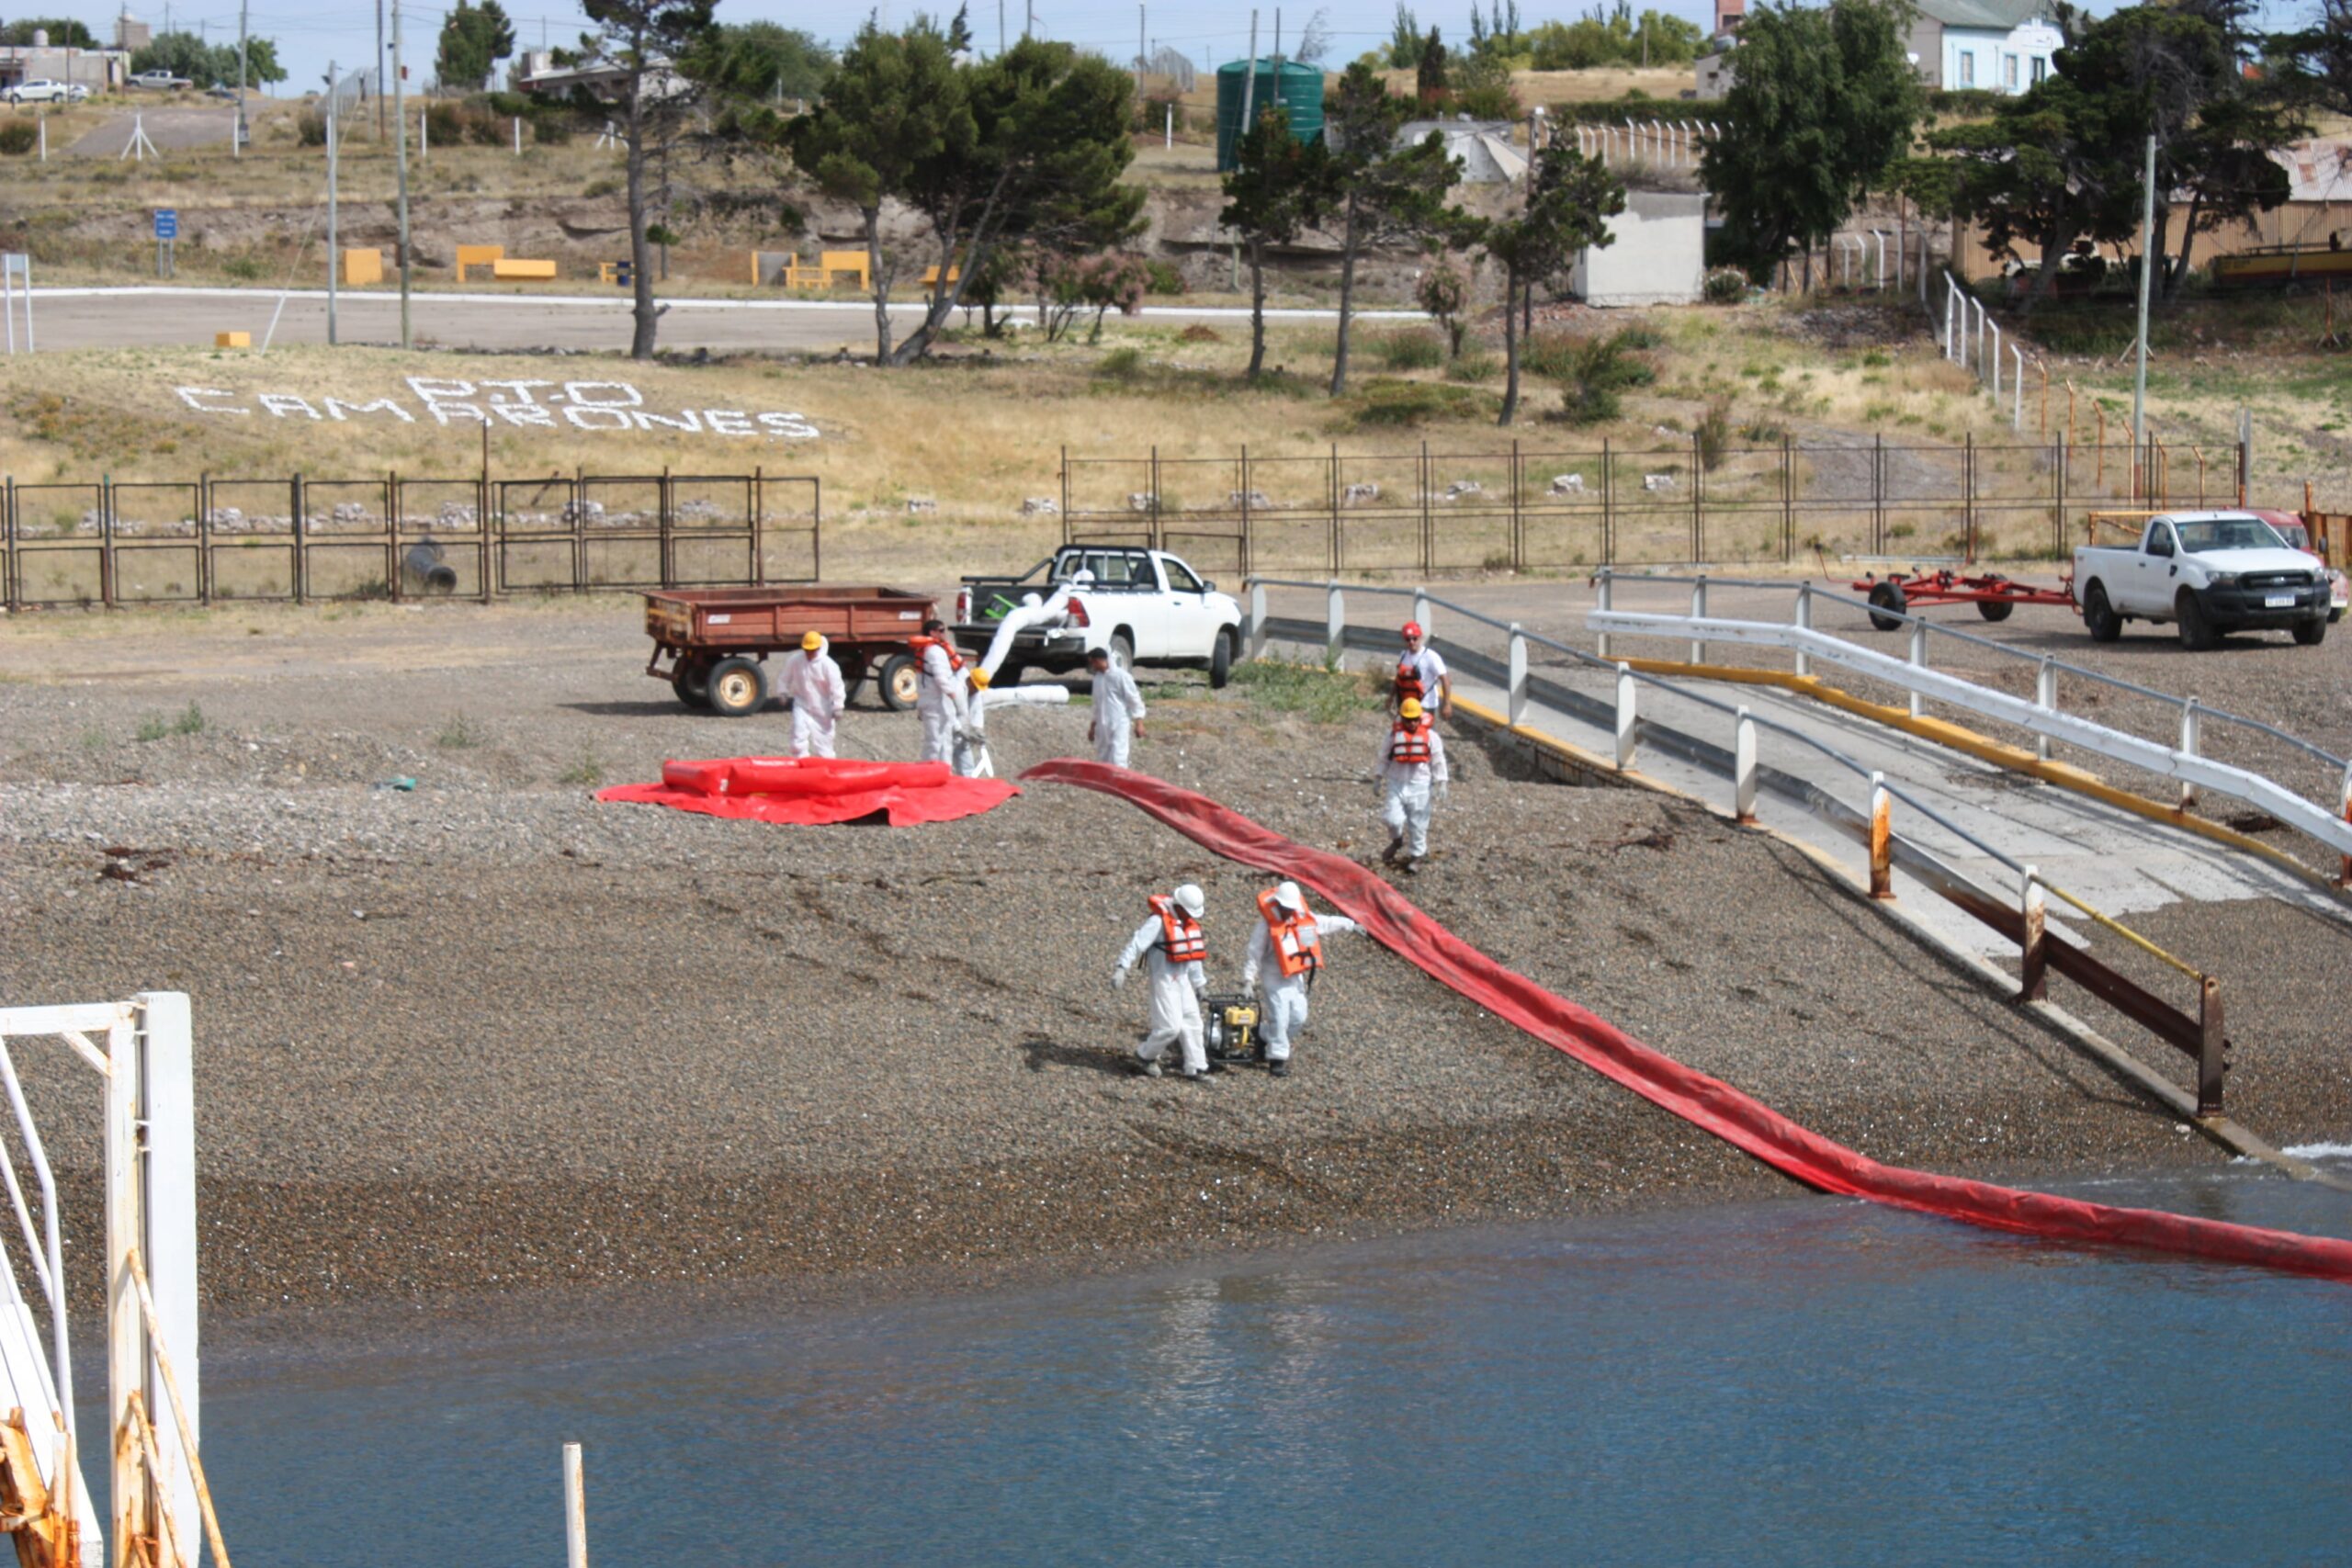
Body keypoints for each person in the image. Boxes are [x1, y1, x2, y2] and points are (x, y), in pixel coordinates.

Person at [1239, 880, 1362, 1079]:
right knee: (1280, 1018)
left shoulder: (1303, 918)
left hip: (1295, 978)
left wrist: (1350, 925)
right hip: (1274, 979)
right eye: (1285, 908)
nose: (1289, 911)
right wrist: (1248, 980)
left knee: (1298, 1017)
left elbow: (1326, 922)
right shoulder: (1265, 927)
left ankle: (1261, 1035)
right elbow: (1254, 954)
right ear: (1278, 904)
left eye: (1291, 908)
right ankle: (1276, 1061)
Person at [1113, 884, 1211, 1081]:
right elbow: (1137, 943)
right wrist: (1121, 967)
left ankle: (1196, 1067)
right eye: (1188, 912)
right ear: (1179, 905)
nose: (1190, 916)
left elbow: (1192, 957)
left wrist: (1199, 984)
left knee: (1194, 1023)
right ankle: (1146, 1055)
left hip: (1183, 981)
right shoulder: (1158, 921)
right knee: (1170, 1027)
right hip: (1164, 980)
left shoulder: (1186, 925)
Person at [1377, 695, 1448, 874]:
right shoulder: (1393, 736)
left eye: (1415, 719)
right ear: (1402, 718)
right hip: (1396, 783)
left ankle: (1417, 856)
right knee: (1391, 818)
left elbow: (1438, 760)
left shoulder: (1431, 736)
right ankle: (1397, 840)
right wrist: (1378, 777)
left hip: (1420, 785)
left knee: (1418, 823)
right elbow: (1384, 757)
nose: (1412, 723)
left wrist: (1442, 781)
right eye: (1408, 719)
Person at [910, 617, 971, 767]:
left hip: (932, 701)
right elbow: (941, 677)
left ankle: (941, 771)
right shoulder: (935, 651)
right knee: (937, 741)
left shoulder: (925, 650)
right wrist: (953, 694)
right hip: (937, 703)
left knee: (942, 740)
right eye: (942, 631)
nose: (945, 634)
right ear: (933, 633)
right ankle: (932, 772)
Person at [777, 630, 846, 760]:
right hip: (801, 704)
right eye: (807, 650)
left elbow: (837, 687)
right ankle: (800, 762)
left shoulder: (828, 665)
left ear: (819, 648)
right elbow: (784, 677)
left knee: (824, 739)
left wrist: (838, 706)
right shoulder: (796, 660)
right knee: (798, 733)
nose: (809, 653)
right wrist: (782, 692)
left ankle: (827, 765)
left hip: (822, 706)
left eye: (812, 650)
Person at [1087, 645, 1147, 768]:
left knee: (1118, 758)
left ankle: (1120, 784)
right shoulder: (1097, 679)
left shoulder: (1121, 676)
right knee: (1103, 757)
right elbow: (1097, 704)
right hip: (1103, 725)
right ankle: (1106, 785)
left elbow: (1134, 699)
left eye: (1093, 662)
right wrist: (1093, 726)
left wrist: (1139, 723)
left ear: (1099, 660)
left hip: (1119, 723)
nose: (1093, 666)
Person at [1390, 621, 1453, 720]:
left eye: (1414, 638)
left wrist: (1447, 704)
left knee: (1425, 734)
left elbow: (1445, 679)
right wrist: (1391, 698)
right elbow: (1398, 679)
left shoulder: (1431, 656)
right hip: (1407, 704)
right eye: (1408, 639)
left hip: (1426, 704)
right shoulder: (1403, 655)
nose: (1411, 642)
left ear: (1420, 637)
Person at [952, 668, 992, 778]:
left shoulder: (975, 693)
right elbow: (947, 713)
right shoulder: (956, 689)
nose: (976, 690)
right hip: (946, 734)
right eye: (975, 687)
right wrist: (959, 729)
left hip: (963, 737)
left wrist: (978, 729)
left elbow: (977, 711)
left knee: (967, 767)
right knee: (943, 765)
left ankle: (967, 788)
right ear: (969, 681)